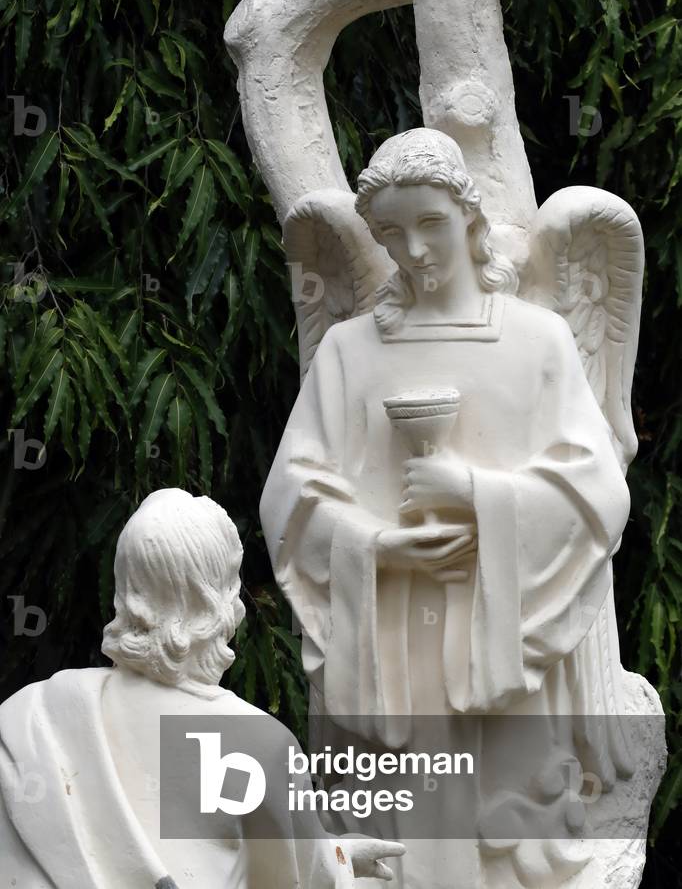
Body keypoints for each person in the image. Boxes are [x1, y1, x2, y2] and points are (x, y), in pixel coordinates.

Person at [259, 129, 633, 888]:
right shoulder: (349, 352)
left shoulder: (538, 342)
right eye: (392, 233)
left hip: (497, 640)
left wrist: (476, 494)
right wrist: (377, 547)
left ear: (467, 213)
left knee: (502, 849)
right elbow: (291, 497)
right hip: (388, 640)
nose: (415, 250)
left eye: (430, 222)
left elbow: (597, 489)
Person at [0, 488, 404, 888]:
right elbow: (299, 876)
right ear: (219, 601)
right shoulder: (257, 743)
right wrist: (340, 861)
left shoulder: (35, 714)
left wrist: (335, 856)